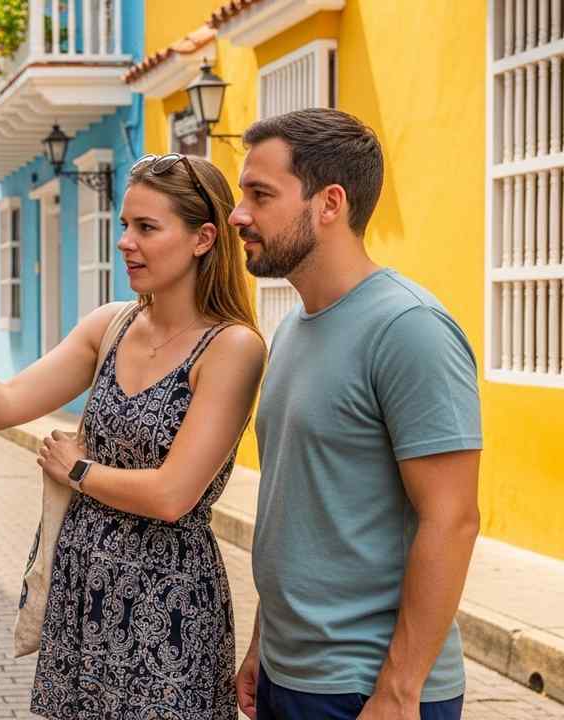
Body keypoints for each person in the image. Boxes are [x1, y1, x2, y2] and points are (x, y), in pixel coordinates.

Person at [0, 155, 266, 718]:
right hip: (83, 588)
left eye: (147, 228)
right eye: (125, 225)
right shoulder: (111, 326)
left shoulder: (232, 348)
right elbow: (4, 405)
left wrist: (79, 471)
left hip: (169, 602)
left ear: (204, 238)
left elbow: (172, 495)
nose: (125, 242)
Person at [230, 108, 482, 720]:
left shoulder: (409, 328)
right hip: (290, 675)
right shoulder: (291, 330)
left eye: (260, 194)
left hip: (367, 690)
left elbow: (452, 520)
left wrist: (399, 689)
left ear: (330, 203)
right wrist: (266, 645)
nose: (239, 214)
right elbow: (299, 505)